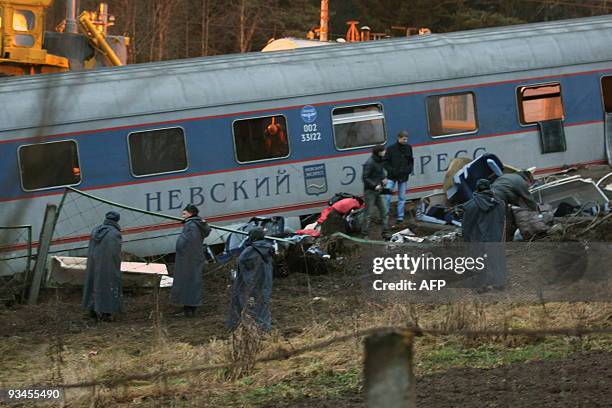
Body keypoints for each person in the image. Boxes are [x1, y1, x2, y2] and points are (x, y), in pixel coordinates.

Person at [226, 228, 275, 332]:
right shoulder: (268, 248)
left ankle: (256, 330)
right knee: (263, 305)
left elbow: (241, 265)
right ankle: (265, 328)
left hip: (252, 284)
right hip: (265, 283)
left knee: (250, 305)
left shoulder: (250, 251)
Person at [462, 179, 507, 290]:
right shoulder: (500, 203)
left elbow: (466, 226)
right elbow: (503, 221)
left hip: (478, 239)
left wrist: (467, 240)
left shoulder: (471, 205)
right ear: (489, 188)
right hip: (496, 238)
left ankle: (481, 285)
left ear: (477, 189)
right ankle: (498, 283)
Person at [82, 211, 123, 322]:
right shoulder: (114, 234)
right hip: (108, 266)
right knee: (108, 285)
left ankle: (92, 309)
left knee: (93, 284)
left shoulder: (95, 231)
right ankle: (106, 312)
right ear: (117, 220)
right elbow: (115, 254)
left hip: (93, 264)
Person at [171, 204, 211, 317]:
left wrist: (182, 252)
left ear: (191, 213)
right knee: (191, 283)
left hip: (188, 260)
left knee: (188, 283)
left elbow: (189, 243)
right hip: (191, 259)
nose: (182, 215)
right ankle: (189, 308)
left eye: (184, 213)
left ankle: (189, 309)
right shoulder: (195, 224)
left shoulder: (191, 225)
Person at [384, 130, 414, 223]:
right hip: (392, 176)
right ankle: (385, 215)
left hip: (403, 176)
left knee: (402, 197)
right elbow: (385, 162)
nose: (405, 141)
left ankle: (400, 217)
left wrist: (408, 170)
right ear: (399, 138)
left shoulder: (409, 148)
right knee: (387, 197)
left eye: (406, 139)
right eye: (404, 139)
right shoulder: (390, 149)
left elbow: (410, 161)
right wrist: (391, 171)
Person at [362, 144, 389, 239]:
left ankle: (385, 232)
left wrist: (384, 178)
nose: (385, 152)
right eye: (384, 150)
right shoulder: (369, 163)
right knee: (368, 213)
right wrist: (374, 185)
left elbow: (381, 172)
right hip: (370, 192)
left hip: (379, 190)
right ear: (379, 152)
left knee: (384, 211)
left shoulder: (380, 161)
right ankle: (365, 234)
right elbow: (365, 177)